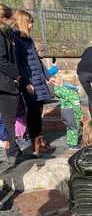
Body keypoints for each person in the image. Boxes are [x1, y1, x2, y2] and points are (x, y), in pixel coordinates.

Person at [13, 10, 54, 155]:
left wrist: (48, 76)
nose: (31, 25)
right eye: (30, 22)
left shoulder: (28, 39)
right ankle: (34, 143)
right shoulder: (16, 39)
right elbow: (19, 64)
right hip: (30, 82)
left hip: (39, 80)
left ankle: (40, 139)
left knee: (39, 110)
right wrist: (25, 83)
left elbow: (37, 60)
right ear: (23, 22)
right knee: (33, 112)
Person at [0, 4, 23, 168]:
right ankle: (14, 153)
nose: (11, 22)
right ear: (3, 18)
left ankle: (14, 150)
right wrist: (16, 75)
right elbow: (1, 59)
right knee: (9, 119)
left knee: (8, 119)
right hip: (4, 82)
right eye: (9, 19)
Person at [48, 71, 83, 150]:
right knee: (75, 128)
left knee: (69, 127)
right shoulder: (73, 92)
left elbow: (56, 91)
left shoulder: (61, 90)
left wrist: (57, 85)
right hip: (72, 111)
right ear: (73, 81)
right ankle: (73, 145)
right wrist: (80, 114)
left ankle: (69, 141)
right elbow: (76, 105)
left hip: (64, 111)